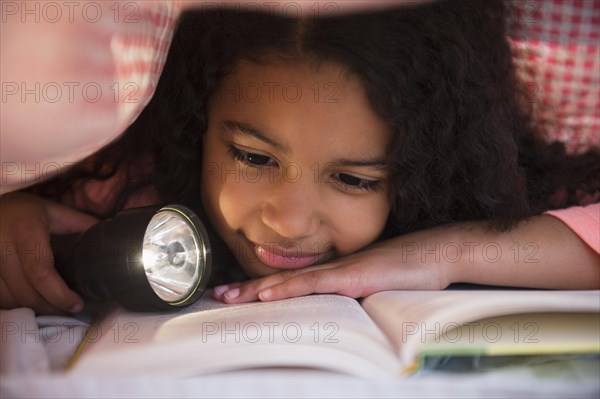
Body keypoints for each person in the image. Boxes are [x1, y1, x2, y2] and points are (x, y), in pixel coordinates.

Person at [1, 0, 598, 315]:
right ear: (195, 124)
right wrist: (16, 219)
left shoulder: (504, 204)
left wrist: (441, 252)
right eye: (254, 158)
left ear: (426, 172)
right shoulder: (121, 190)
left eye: (352, 179)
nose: (288, 221)